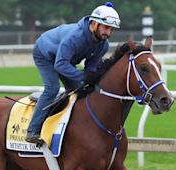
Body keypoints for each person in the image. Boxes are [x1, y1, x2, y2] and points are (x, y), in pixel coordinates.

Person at [26, 2, 121, 143]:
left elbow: (91, 67)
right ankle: (32, 131)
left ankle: (66, 124)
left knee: (80, 89)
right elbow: (60, 64)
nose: (108, 33)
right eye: (106, 28)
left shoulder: (103, 45)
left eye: (111, 29)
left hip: (64, 60)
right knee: (52, 89)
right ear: (94, 24)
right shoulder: (75, 37)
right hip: (45, 55)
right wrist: (84, 76)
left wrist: (91, 79)